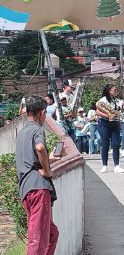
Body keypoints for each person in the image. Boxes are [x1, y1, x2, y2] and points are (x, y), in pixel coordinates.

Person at [15, 95, 61, 255]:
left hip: (26, 190)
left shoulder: (22, 132)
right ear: (42, 113)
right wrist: (47, 170)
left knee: (51, 234)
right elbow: (40, 147)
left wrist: (48, 159)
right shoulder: (37, 129)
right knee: (38, 239)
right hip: (38, 190)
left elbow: (29, 158)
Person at [96, 84, 124, 173]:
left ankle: (117, 165)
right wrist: (108, 115)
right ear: (109, 91)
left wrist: (121, 111)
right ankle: (104, 165)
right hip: (104, 123)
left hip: (115, 123)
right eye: (114, 90)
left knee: (116, 144)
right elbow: (97, 111)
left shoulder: (116, 100)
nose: (116, 91)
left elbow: (118, 111)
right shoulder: (103, 100)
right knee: (105, 144)